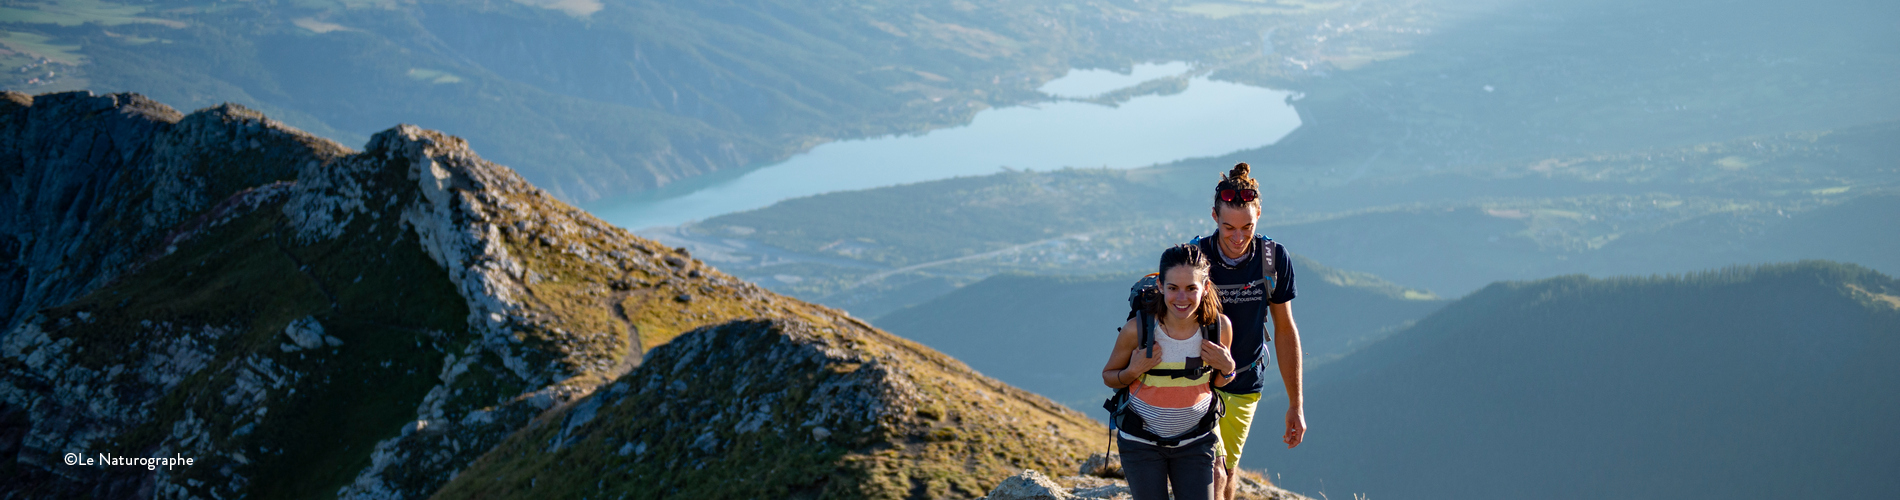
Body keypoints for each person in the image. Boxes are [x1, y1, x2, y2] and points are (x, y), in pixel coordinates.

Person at [1192, 162, 1304, 500]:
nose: (1238, 237)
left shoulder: (1272, 258)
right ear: (1214, 216)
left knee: (1226, 474)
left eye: (1247, 227)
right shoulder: (1196, 258)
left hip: (1245, 383)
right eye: (1228, 228)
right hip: (1198, 383)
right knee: (1211, 471)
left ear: (1259, 216)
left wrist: (1295, 404)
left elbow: (1284, 330)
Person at [1100, 244, 1236, 500]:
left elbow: (1217, 382)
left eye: (1191, 288)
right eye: (1173, 288)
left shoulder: (1219, 328)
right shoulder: (1138, 330)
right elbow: (1109, 376)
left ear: (1205, 288)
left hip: (1196, 441)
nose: (1181, 298)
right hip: (1141, 443)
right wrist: (1133, 370)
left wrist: (1228, 368)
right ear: (1160, 286)